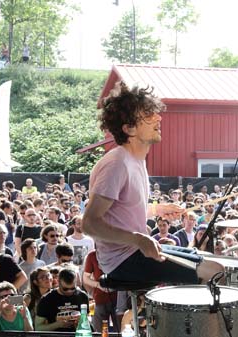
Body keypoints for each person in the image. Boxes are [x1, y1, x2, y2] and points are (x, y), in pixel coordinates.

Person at [82, 82, 221, 285]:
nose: (158, 117)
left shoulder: (135, 160)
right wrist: (139, 239)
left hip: (134, 251)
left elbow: (121, 214)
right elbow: (90, 223)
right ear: (129, 128)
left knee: (211, 260)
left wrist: (157, 209)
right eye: (148, 115)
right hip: (123, 261)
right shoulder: (117, 164)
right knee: (216, 271)